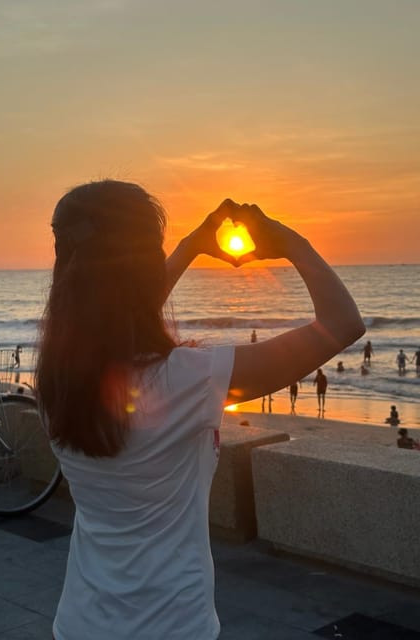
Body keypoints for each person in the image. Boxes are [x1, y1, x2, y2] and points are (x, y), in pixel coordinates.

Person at [35, 180, 365, 640]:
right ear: (145, 269)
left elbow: (121, 317)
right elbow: (343, 324)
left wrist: (191, 246)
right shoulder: (187, 380)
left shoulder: (56, 378)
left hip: (80, 621)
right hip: (171, 626)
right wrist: (292, 242)